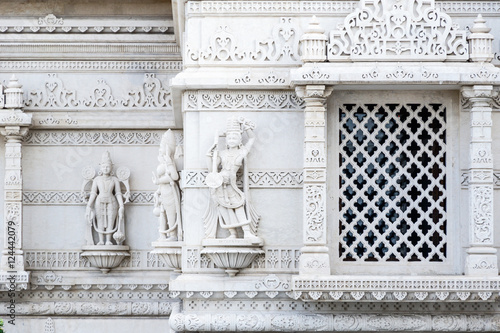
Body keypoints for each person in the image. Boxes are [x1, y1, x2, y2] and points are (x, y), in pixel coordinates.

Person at [203, 116, 261, 243]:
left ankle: (246, 232)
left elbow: (252, 139)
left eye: (234, 137)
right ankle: (232, 233)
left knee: (238, 205)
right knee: (223, 207)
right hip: (220, 184)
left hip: (232, 184)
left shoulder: (241, 152)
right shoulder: (222, 154)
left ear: (239, 139)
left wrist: (247, 127)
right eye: (229, 138)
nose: (231, 140)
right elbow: (211, 169)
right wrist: (210, 153)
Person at [86, 152, 125, 245]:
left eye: (107, 166)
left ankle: (108, 240)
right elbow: (93, 193)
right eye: (104, 167)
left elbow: (118, 193)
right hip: (99, 201)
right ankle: (100, 240)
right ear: (101, 167)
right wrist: (88, 205)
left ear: (111, 167)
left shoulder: (114, 179)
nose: (105, 168)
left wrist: (121, 205)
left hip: (112, 201)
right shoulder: (97, 180)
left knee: (111, 219)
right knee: (100, 219)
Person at [153, 130, 182, 241]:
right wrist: (158, 191)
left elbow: (174, 177)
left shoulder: (170, 162)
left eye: (162, 148)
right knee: (162, 214)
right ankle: (163, 234)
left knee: (170, 214)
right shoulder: (163, 162)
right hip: (163, 193)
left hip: (170, 192)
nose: (160, 150)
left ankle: (173, 235)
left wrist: (158, 181)